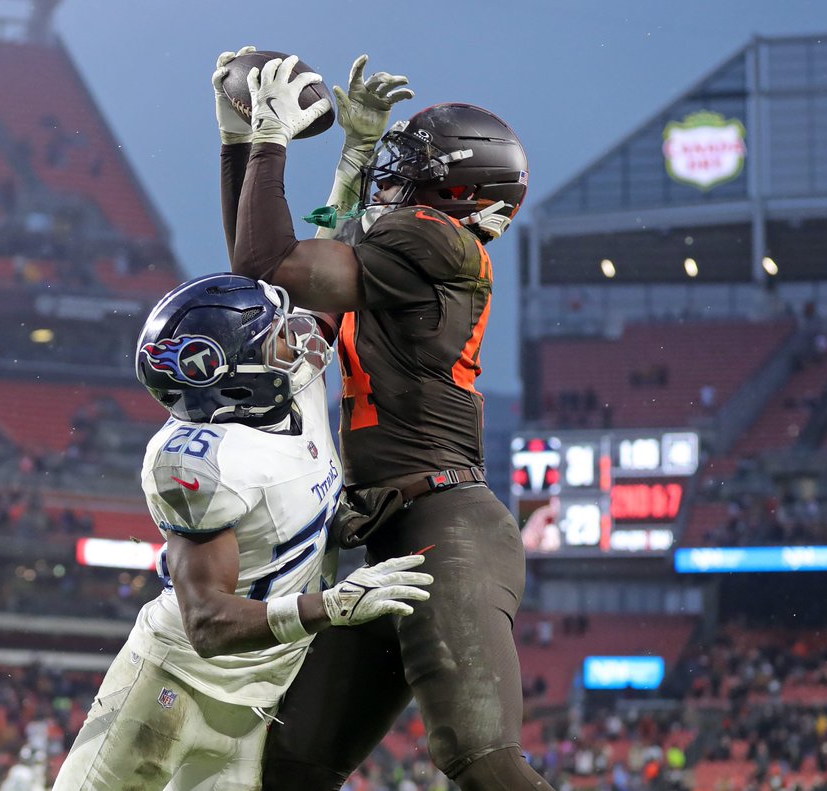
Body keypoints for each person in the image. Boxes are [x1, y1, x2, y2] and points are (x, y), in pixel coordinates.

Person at [215, 50, 553, 791]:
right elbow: (262, 289)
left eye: (407, 163)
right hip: (394, 537)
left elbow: (271, 260)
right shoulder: (409, 255)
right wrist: (237, 144)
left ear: (453, 187)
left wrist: (268, 139)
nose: (385, 175)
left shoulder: (434, 239)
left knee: (479, 754)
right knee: (289, 767)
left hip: (445, 528)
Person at [51, 273, 432, 791]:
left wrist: (346, 197)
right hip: (175, 683)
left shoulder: (296, 390)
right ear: (233, 376)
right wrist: (332, 606)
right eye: (276, 337)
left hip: (258, 696)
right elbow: (206, 623)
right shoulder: (201, 462)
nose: (295, 338)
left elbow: (308, 270)